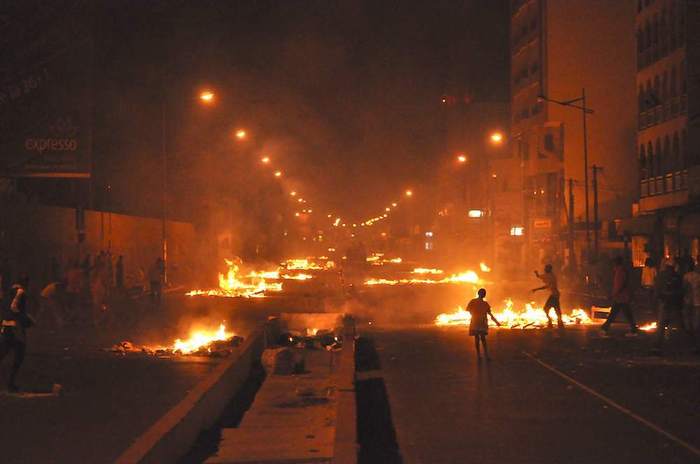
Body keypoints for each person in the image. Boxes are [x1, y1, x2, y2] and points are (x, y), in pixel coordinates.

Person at [0, 275, 32, 392]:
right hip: (15, 328)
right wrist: (25, 318)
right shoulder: (21, 292)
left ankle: (10, 383)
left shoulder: (8, 293)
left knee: (3, 352)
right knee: (19, 355)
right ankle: (11, 383)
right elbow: (14, 307)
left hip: (6, 326)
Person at [600, 256, 639, 336]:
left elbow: (619, 285)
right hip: (621, 297)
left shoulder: (620, 272)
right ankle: (605, 328)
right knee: (622, 314)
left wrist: (613, 295)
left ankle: (605, 328)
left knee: (616, 314)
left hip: (621, 297)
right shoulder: (620, 271)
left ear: (616, 263)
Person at [653, 261, 684, 354]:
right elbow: (681, 291)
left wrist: (660, 298)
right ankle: (677, 345)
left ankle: (657, 346)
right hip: (673, 304)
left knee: (661, 326)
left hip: (665, 303)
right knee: (676, 325)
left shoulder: (662, 276)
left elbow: (657, 290)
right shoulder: (677, 277)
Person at [467, 288, 500, 361]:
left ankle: (480, 355)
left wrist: (496, 322)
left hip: (476, 321)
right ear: (482, 294)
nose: (483, 294)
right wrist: (496, 322)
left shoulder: (474, 302)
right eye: (483, 293)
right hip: (481, 322)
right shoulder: (485, 304)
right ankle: (485, 355)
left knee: (478, 338)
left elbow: (469, 310)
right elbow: (490, 314)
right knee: (482, 339)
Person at [532, 264, 564, 329]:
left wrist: (536, 289)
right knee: (556, 309)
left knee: (547, 309)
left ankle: (551, 323)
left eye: (546, 268)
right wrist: (536, 273)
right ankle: (559, 324)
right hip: (555, 295)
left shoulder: (550, 276)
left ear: (549, 269)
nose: (544, 269)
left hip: (554, 295)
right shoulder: (549, 275)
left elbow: (546, 286)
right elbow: (540, 277)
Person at [682, 259, 700, 353]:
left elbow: (684, 288)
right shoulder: (698, 277)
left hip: (689, 302)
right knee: (696, 324)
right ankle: (695, 344)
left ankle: (693, 343)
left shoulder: (686, 277)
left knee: (689, 323)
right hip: (697, 302)